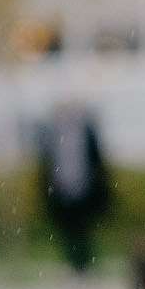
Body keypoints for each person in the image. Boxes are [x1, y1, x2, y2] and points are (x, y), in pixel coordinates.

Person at [40, 103, 112, 274]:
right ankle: (73, 264)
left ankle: (85, 265)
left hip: (84, 190)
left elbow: (97, 161)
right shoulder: (54, 135)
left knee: (84, 230)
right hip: (62, 191)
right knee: (68, 231)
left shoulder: (85, 134)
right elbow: (48, 165)